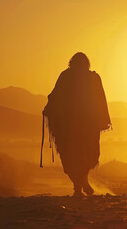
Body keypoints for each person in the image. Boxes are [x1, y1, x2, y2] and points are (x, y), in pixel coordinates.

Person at [43, 52, 111, 196]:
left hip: (79, 127)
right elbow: (56, 95)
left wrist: (49, 108)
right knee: (74, 156)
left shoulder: (89, 78)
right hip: (73, 127)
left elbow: (100, 100)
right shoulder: (68, 77)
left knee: (79, 156)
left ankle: (80, 185)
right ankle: (79, 186)